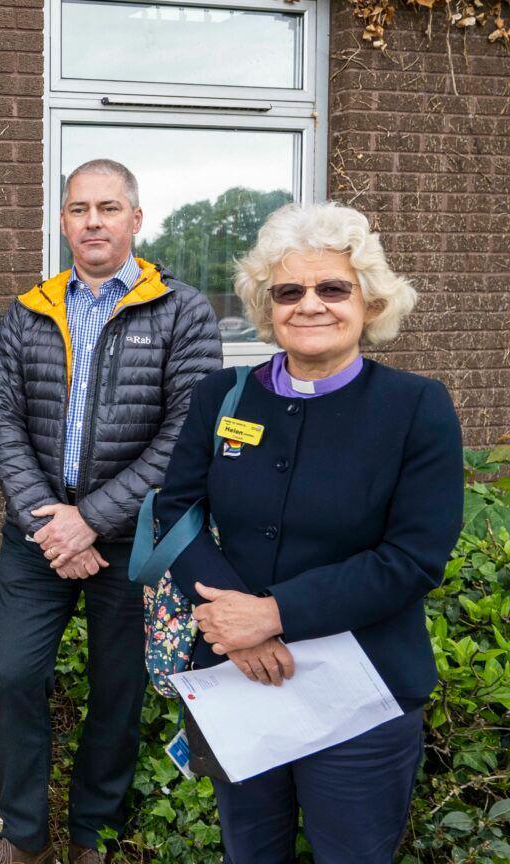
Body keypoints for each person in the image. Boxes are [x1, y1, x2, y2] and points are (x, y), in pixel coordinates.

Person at [154, 202, 462, 862]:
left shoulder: (417, 408)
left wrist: (271, 615)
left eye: (332, 288)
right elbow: (175, 513)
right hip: (239, 678)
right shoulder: (222, 398)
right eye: (289, 291)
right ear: (268, 307)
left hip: (362, 697)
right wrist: (230, 626)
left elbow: (413, 558)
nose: (310, 304)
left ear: (370, 301)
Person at [0, 159, 221, 864]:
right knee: (16, 675)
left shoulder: (182, 310)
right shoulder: (30, 309)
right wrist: (51, 519)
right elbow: (1, 415)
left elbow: (184, 436)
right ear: (63, 221)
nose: (93, 222)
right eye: (79, 209)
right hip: (38, 539)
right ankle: (23, 839)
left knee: (118, 689)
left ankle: (92, 837)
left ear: (135, 220)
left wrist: (93, 518)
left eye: (108, 208)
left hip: (133, 542)